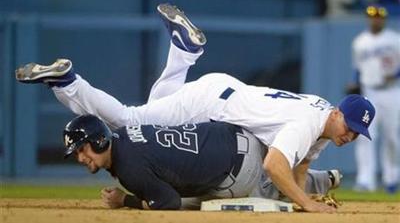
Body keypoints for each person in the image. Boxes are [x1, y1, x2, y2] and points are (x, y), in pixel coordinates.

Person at [16, 3, 375, 212]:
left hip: (222, 96)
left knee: (155, 107)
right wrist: (309, 205)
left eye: (357, 135)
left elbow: (302, 163)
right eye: (351, 129)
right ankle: (68, 83)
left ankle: (184, 52)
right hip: (211, 105)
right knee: (129, 120)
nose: (351, 137)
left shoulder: (324, 121)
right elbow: (275, 164)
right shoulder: (309, 121)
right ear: (337, 114)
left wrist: (302, 197)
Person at [63, 114, 338, 210]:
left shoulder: (130, 169)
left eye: (82, 148)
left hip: (238, 171)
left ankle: (311, 184)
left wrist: (125, 201)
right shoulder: (124, 134)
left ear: (99, 140)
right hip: (238, 134)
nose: (80, 157)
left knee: (192, 203)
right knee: (191, 177)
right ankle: (322, 179)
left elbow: (168, 203)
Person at [347, 5, 400, 193]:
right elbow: (358, 68)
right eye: (372, 16)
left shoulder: (395, 39)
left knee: (392, 136)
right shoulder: (360, 42)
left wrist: (395, 76)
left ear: (384, 19)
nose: (376, 19)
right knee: (365, 135)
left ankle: (391, 178)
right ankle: (365, 180)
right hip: (370, 92)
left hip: (392, 91)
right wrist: (354, 84)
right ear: (368, 19)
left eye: (379, 17)